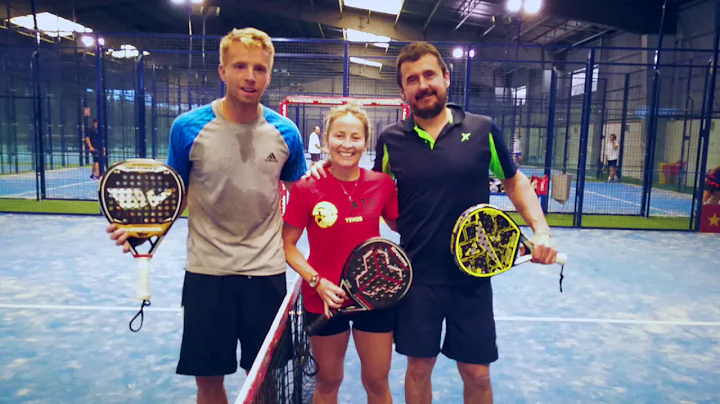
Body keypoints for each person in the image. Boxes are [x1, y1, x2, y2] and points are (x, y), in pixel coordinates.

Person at [308, 41, 558, 404]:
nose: (423, 85)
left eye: (429, 75)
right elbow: (371, 188)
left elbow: (513, 180)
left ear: (445, 77)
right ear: (403, 90)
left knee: (477, 373)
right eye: (413, 79)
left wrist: (542, 230)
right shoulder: (392, 139)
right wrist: (325, 170)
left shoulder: (483, 129)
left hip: (471, 279)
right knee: (419, 368)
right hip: (416, 279)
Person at [107, 27, 307, 404]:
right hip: (207, 273)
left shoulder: (287, 133)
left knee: (265, 379)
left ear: (269, 74)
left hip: (265, 272)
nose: (250, 76)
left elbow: (303, 202)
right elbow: (174, 198)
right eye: (240, 66)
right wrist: (140, 230)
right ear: (222, 71)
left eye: (260, 69)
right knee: (208, 381)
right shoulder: (187, 128)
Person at [283, 102, 399, 404]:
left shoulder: (382, 185)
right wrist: (316, 281)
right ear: (326, 140)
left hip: (374, 296)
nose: (347, 144)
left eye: (355, 137)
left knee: (376, 381)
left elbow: (406, 226)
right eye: (339, 136)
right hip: (323, 301)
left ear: (365, 142)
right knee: (328, 381)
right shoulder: (307, 187)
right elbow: (288, 246)